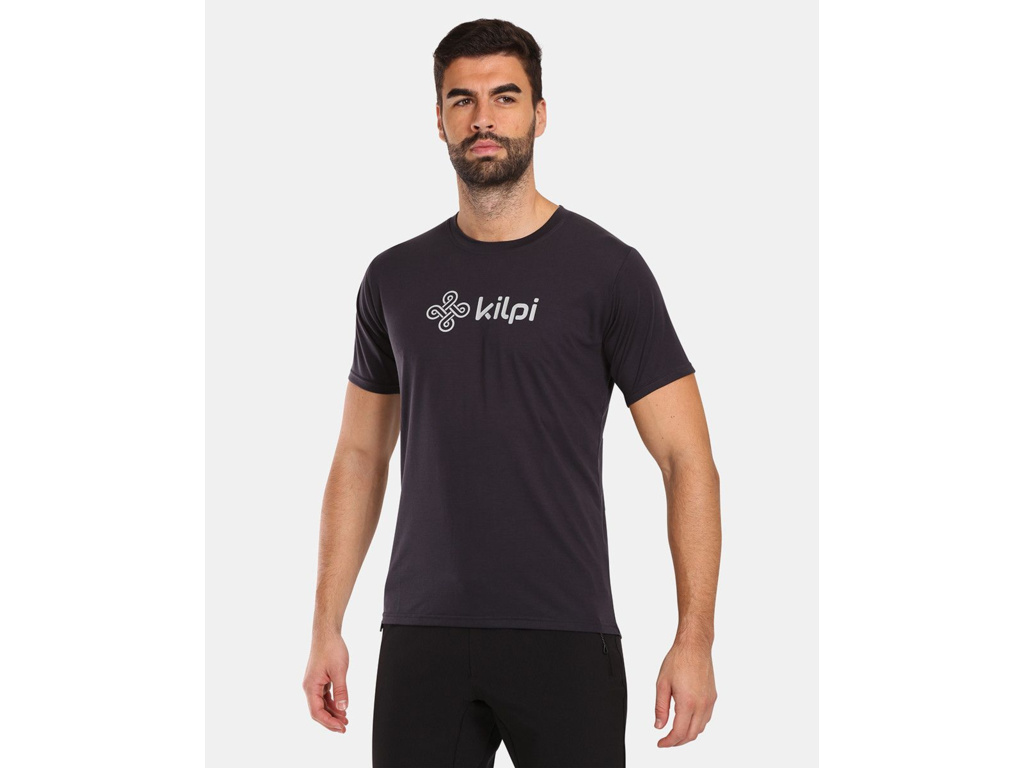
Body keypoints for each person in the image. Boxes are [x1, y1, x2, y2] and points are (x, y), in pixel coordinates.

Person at [302, 18, 721, 767]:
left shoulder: (608, 271)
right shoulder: (395, 278)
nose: (483, 118)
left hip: (565, 634)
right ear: (439, 120)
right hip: (422, 636)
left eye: (505, 97)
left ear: (540, 113)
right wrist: (325, 624)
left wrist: (695, 639)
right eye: (461, 100)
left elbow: (686, 460)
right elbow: (360, 454)